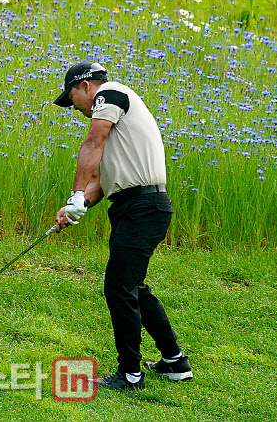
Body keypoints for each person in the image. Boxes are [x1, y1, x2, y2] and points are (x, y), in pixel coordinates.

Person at [53, 62, 192, 390]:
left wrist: (74, 192)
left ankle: (130, 374)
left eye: (73, 99)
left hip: (144, 208)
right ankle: (174, 362)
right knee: (132, 286)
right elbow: (102, 182)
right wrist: (78, 206)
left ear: (86, 86)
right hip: (138, 207)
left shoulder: (111, 93)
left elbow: (92, 144)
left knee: (119, 287)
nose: (75, 108)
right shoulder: (117, 124)